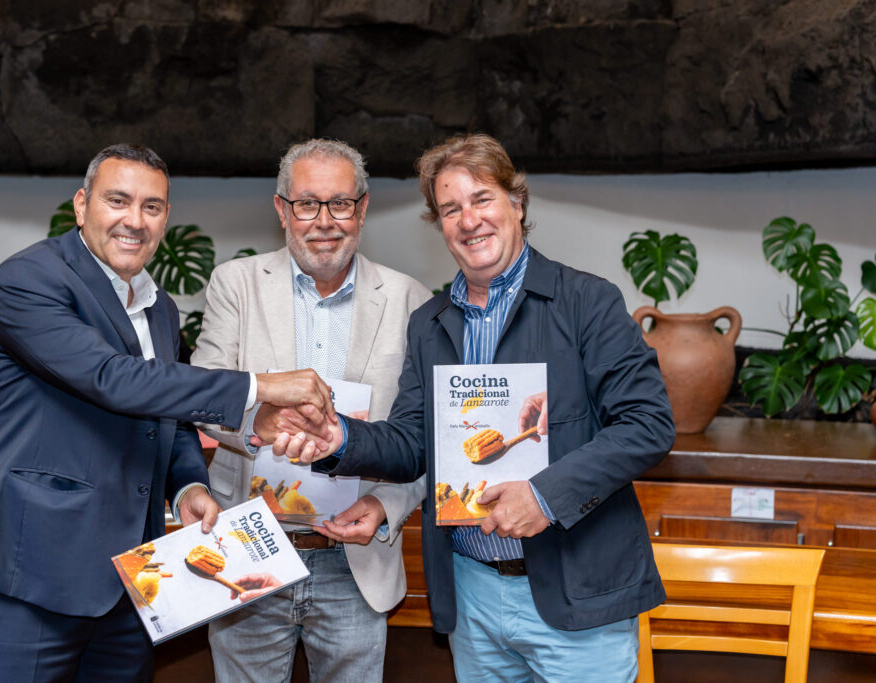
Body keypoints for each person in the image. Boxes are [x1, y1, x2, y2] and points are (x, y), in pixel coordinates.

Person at [277, 134, 675, 682]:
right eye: (451, 208)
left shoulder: (588, 301)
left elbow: (648, 424)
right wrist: (340, 439)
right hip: (473, 594)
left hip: (575, 591)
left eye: (482, 198)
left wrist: (544, 495)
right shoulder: (431, 323)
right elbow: (414, 440)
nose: (469, 220)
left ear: (517, 203)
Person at [0, 143, 334, 683]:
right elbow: (113, 380)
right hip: (32, 576)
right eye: (118, 200)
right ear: (82, 205)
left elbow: (164, 414)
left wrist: (188, 487)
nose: (134, 220)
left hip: (133, 581)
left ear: (166, 218)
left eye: (152, 207)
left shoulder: (159, 306)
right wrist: (261, 385)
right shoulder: (29, 279)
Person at [191, 138, 430, 683]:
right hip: (251, 549)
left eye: (340, 203)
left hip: (354, 561)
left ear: (362, 209)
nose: (324, 221)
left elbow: (424, 436)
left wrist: (388, 503)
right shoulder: (237, 284)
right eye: (307, 204)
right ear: (282, 209)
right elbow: (203, 394)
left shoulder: (410, 298)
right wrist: (257, 425)